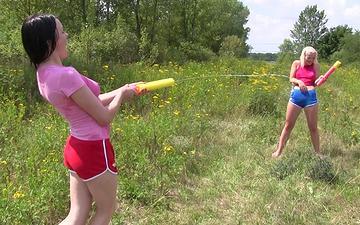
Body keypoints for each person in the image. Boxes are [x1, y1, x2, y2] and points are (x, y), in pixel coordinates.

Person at [21, 14, 142, 225]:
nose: (67, 35)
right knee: (106, 211)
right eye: (62, 31)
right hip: (94, 150)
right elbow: (104, 117)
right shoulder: (66, 74)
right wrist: (122, 95)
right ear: (50, 42)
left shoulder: (44, 75)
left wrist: (125, 89)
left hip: (77, 149)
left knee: (76, 215)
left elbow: (89, 102)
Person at [272, 46, 321, 158]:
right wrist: (299, 82)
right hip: (296, 97)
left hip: (311, 98)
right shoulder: (296, 63)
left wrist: (320, 80)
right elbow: (291, 78)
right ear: (304, 55)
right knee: (288, 125)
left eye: (313, 58)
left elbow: (315, 82)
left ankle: (318, 154)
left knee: (313, 127)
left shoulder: (316, 66)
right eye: (309, 57)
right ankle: (279, 152)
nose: (311, 60)